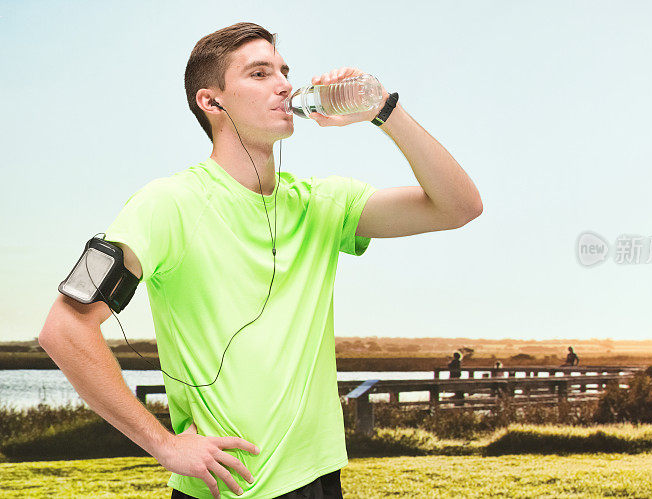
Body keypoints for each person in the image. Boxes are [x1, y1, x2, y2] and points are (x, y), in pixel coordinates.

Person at [37, 22, 482, 499]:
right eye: (260, 73)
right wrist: (164, 445)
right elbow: (64, 328)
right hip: (226, 487)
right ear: (212, 102)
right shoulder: (167, 204)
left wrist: (383, 109)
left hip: (321, 479)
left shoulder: (323, 204)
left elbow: (459, 206)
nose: (284, 84)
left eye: (284, 71)